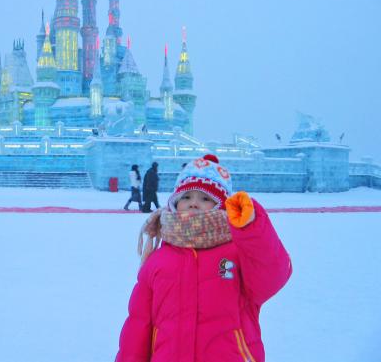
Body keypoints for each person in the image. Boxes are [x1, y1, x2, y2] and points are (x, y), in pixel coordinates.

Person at [115, 154, 292, 362]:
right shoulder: (158, 260)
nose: (194, 204)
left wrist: (251, 227)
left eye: (206, 198)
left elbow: (272, 276)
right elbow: (138, 324)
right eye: (186, 197)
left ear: (224, 206)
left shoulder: (236, 252)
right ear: (174, 203)